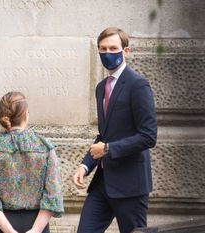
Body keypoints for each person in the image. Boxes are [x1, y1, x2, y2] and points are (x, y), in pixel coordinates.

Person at [73, 27, 157, 233]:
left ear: (125, 51)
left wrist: (109, 149)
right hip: (102, 184)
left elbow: (148, 136)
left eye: (113, 48)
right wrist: (85, 166)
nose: (108, 53)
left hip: (131, 186)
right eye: (103, 49)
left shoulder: (138, 85)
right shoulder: (101, 87)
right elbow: (104, 135)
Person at [0, 91, 64, 233]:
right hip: (36, 223)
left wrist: (10, 231)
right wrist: (36, 230)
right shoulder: (44, 146)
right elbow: (53, 194)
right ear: (26, 115)